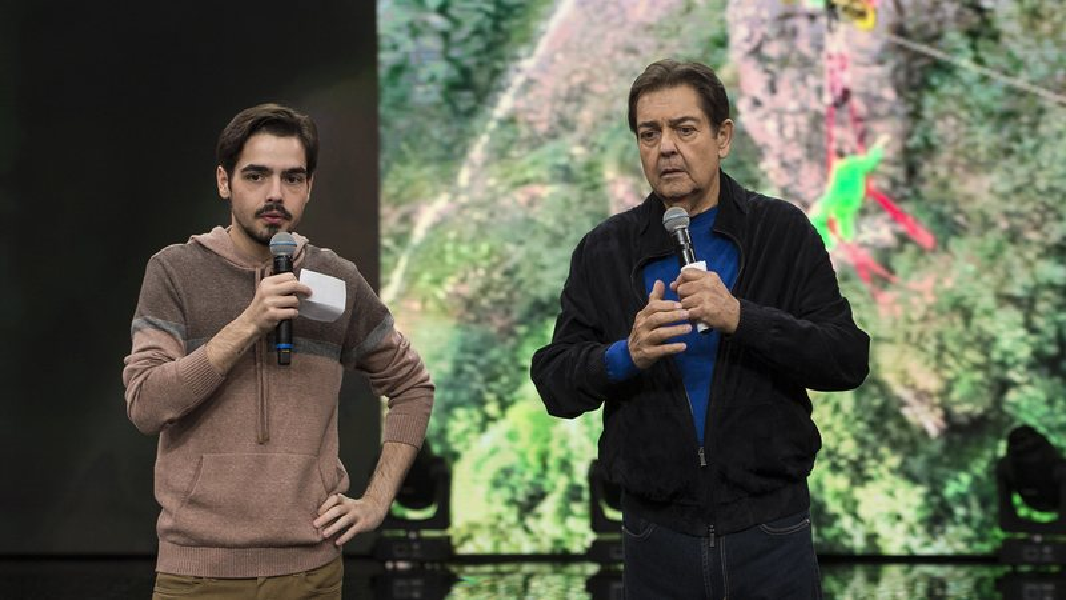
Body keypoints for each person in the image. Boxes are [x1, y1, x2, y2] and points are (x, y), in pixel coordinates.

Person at [530, 60, 870, 599]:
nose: (666, 147)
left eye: (685, 129)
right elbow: (554, 381)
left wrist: (743, 318)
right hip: (655, 536)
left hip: (771, 530)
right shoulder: (605, 249)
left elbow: (846, 358)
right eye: (650, 133)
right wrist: (625, 354)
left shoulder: (781, 231)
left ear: (723, 137)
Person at [122, 103, 434, 599]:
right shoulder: (175, 271)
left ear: (308, 187)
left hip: (312, 573)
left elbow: (413, 387)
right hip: (198, 575)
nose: (275, 194)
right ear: (224, 182)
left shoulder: (336, 280)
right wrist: (248, 323)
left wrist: (376, 501)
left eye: (292, 178)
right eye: (256, 175)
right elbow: (145, 406)